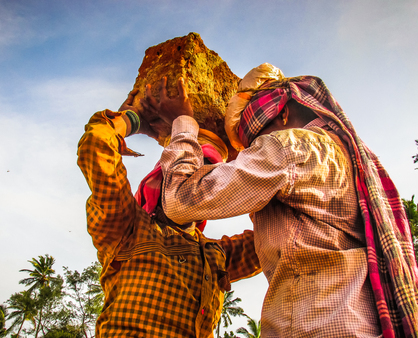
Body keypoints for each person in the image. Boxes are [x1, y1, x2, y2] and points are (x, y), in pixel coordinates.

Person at [143, 72, 418, 337]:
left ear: (283, 114)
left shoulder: (288, 147)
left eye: (254, 142)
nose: (251, 153)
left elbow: (180, 200)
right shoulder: (350, 159)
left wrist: (183, 123)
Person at [76, 88, 261, 338]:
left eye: (209, 176)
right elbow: (96, 144)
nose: (198, 180)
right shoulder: (127, 227)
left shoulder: (218, 255)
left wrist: (248, 154)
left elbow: (280, 233)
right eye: (186, 170)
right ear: (161, 179)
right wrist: (134, 118)